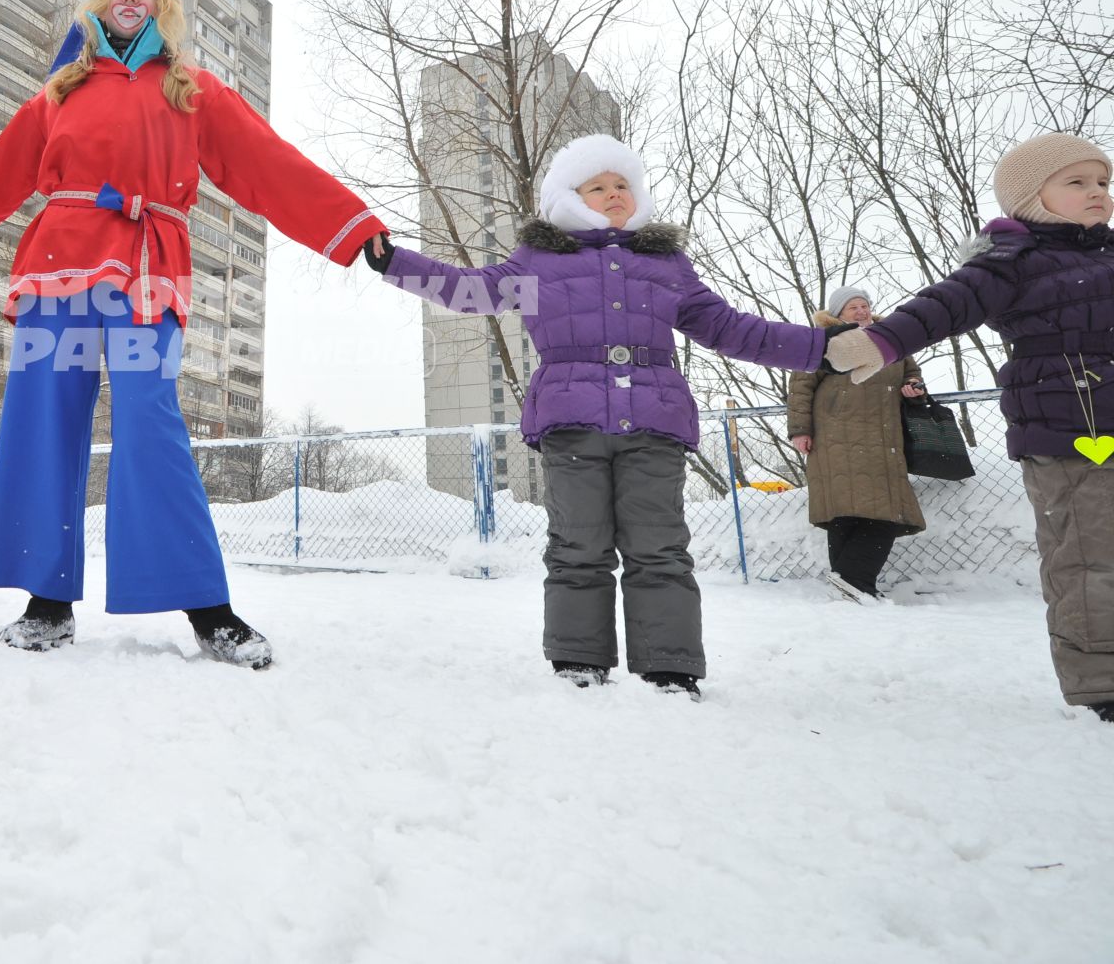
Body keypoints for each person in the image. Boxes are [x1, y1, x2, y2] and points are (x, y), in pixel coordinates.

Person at [0, 0, 387, 668]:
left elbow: (269, 164)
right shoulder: (59, 93)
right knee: (42, 418)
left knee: (150, 417)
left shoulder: (192, 90)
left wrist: (351, 225)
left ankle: (209, 606)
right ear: (100, 2)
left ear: (162, 7)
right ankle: (46, 602)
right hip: (58, 263)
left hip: (148, 263)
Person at [367, 134, 835, 698]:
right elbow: (470, 292)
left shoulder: (664, 264)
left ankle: (670, 665)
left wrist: (821, 348)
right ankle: (578, 663)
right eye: (599, 186)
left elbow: (732, 328)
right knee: (577, 545)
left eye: (623, 185)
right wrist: (393, 261)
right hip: (573, 423)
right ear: (570, 196)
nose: (615, 194)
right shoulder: (540, 262)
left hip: (654, 421)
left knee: (659, 545)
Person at [827, 132, 1114, 722]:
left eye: (1104, 182)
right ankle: (1100, 686)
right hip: (1065, 432)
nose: (1098, 193)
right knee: (1086, 558)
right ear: (1032, 198)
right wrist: (881, 339)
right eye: (1077, 182)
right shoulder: (1011, 262)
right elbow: (944, 305)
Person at [787, 286, 927, 602]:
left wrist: (913, 387)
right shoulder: (823, 341)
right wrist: (799, 429)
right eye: (853, 307)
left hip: (883, 438)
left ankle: (850, 583)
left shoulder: (892, 339)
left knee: (885, 513)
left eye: (864, 306)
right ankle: (855, 585)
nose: (862, 312)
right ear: (838, 314)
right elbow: (800, 387)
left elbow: (912, 373)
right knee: (844, 513)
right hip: (833, 437)